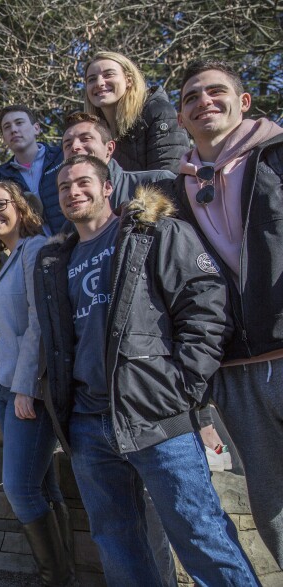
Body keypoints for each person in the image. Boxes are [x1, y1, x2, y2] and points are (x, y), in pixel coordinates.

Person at [35, 154, 258, 585]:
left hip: (156, 414)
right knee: (116, 542)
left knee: (200, 534)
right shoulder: (55, 260)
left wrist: (184, 386)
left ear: (107, 188)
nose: (73, 192)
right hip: (86, 423)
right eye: (64, 187)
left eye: (83, 183)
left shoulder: (153, 233)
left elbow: (206, 305)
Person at [173, 58, 283, 569]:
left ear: (244, 102)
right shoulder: (175, 193)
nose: (204, 103)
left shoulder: (276, 157)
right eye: (191, 98)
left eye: (216, 92)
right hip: (234, 368)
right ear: (180, 120)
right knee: (272, 511)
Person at [0, 181, 74, 586]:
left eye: (0, 205)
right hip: (6, 388)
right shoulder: (12, 256)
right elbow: (8, 325)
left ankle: (53, 578)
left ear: (22, 207)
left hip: (29, 392)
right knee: (44, 487)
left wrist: (27, 387)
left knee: (19, 488)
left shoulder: (35, 250)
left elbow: (40, 325)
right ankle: (66, 577)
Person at [0, 105, 66, 234]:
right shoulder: (3, 175)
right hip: (36, 249)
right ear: (4, 138)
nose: (13, 130)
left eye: (19, 123)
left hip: (75, 243)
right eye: (7, 127)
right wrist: (6, 193)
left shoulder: (61, 157)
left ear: (36, 128)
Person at [83, 51, 189, 173]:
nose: (99, 83)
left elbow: (168, 175)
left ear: (129, 80)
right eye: (91, 79)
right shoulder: (90, 131)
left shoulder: (157, 111)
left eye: (108, 75)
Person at [61, 112, 175, 208]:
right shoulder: (70, 208)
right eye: (67, 144)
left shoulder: (157, 183)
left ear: (109, 148)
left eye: (85, 139)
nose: (75, 147)